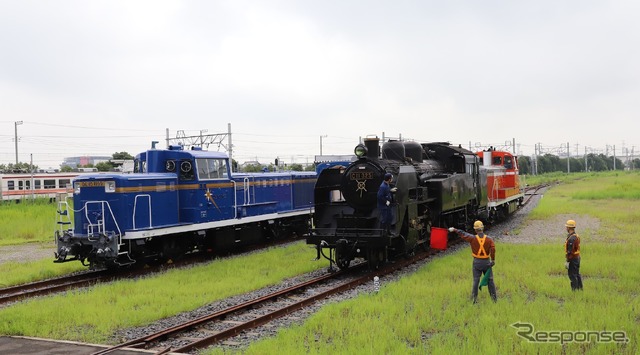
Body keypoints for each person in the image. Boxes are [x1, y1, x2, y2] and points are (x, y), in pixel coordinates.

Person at [449, 221, 497, 303]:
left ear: (475, 230)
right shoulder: (489, 239)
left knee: (476, 280)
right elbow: (493, 249)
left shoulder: (472, 238)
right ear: (482, 228)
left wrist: (454, 229)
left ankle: (474, 300)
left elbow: (463, 234)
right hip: (486, 262)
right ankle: (494, 300)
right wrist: (492, 260)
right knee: (490, 280)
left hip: (477, 262)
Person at [564, 219, 583, 291]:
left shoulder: (572, 238)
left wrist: (568, 260)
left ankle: (574, 291)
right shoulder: (576, 236)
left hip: (573, 259)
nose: (566, 228)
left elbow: (570, 251)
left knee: (572, 275)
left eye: (566, 227)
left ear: (568, 228)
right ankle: (580, 289)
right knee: (577, 274)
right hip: (577, 257)